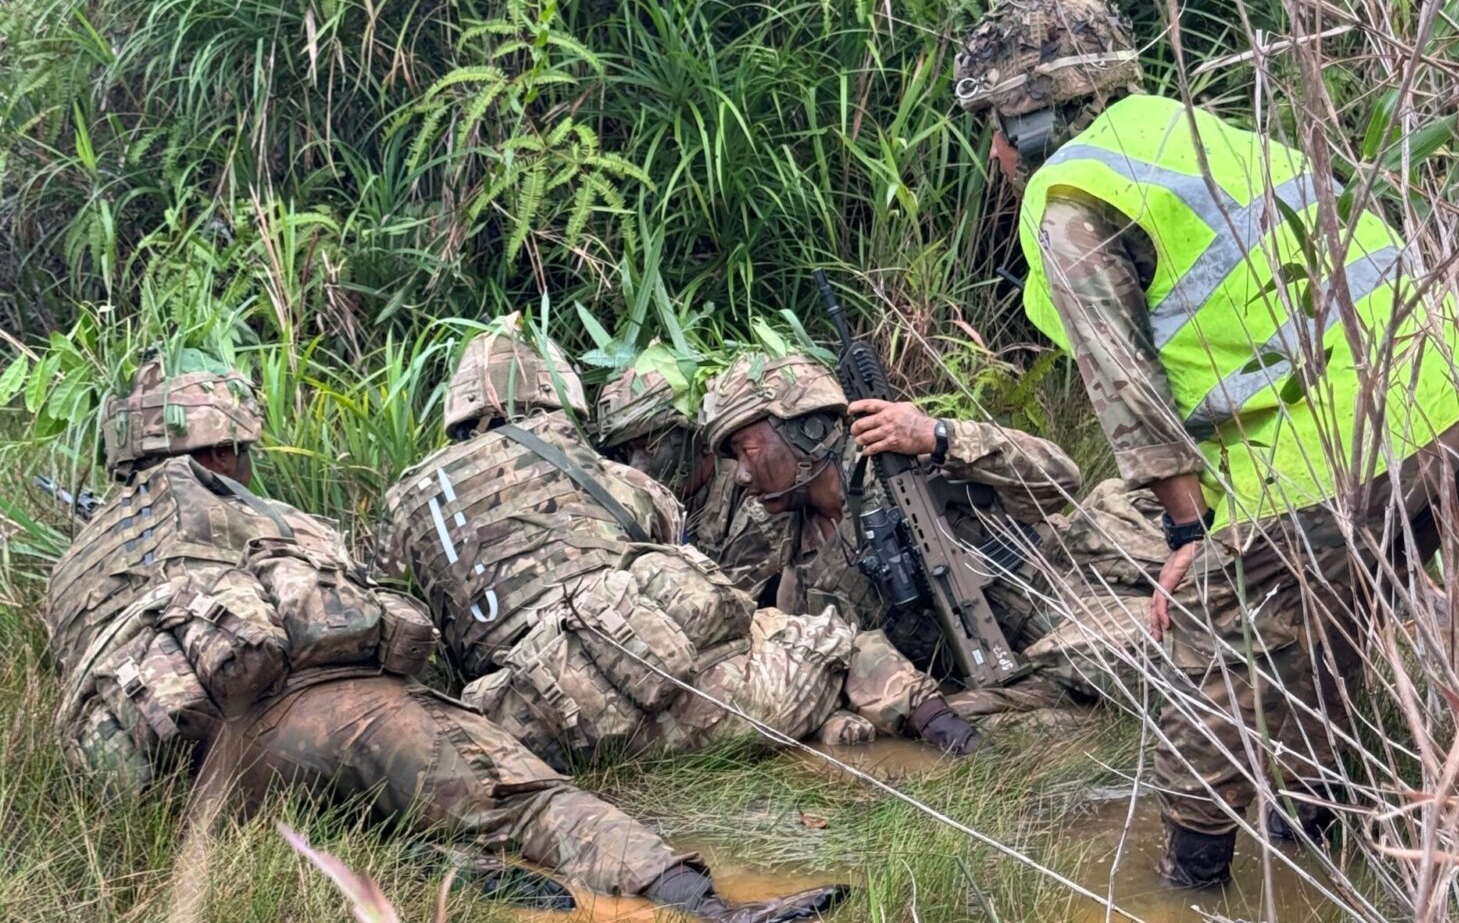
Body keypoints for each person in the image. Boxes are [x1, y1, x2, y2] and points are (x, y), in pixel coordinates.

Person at [952, 0, 1459, 886]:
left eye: (998, 122)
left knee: (1207, 637)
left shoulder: (1074, 195)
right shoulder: (1194, 134)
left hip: (1341, 439)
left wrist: (1186, 537)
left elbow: (1125, 387)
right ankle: (1319, 828)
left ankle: (1190, 885)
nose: (998, 150)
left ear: (1036, 116)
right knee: (1329, 618)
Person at [47, 351, 840, 922]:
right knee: (527, 803)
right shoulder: (244, 505)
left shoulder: (70, 565)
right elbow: (346, 594)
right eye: (241, 451)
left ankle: (434, 868)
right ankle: (700, 902)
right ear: (218, 449)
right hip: (330, 713)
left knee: (331, 821)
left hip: (183, 786)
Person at [380, 317, 977, 770]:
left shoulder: (407, 499)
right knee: (837, 643)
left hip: (528, 732)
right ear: (550, 393)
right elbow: (673, 556)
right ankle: (958, 739)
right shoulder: (596, 471)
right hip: (655, 702)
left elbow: (402, 618)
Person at [699, 350, 1168, 717]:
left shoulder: (905, 465)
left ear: (808, 430)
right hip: (1003, 675)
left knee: (1146, 660)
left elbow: (1059, 479)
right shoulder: (798, 568)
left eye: (748, 449)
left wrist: (938, 434)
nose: (741, 475)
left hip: (1082, 608)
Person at [594, 358, 791, 594]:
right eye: (626, 452)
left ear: (699, 439)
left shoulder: (752, 494)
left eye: (650, 448)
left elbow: (726, 607)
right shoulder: (656, 496)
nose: (636, 466)